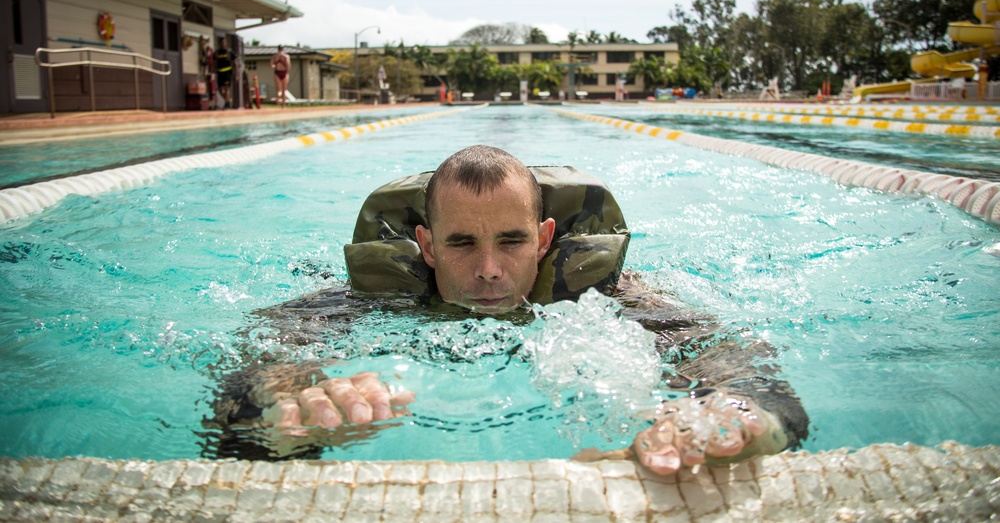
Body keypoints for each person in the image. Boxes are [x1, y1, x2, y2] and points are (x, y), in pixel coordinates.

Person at [208, 146, 807, 474]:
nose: (490, 269)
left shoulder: (613, 297)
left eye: (513, 242)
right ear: (426, 246)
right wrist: (287, 408)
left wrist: (744, 416)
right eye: (463, 244)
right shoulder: (363, 299)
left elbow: (733, 364)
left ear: (545, 239)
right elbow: (253, 374)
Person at [214, 38, 235, 109]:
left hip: (227, 72)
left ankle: (226, 103)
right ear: (219, 44)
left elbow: (235, 63)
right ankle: (227, 101)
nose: (223, 44)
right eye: (221, 43)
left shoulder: (230, 52)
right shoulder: (216, 53)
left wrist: (236, 74)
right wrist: (212, 71)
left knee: (226, 88)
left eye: (224, 43)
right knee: (220, 89)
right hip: (220, 72)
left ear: (226, 43)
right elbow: (214, 63)